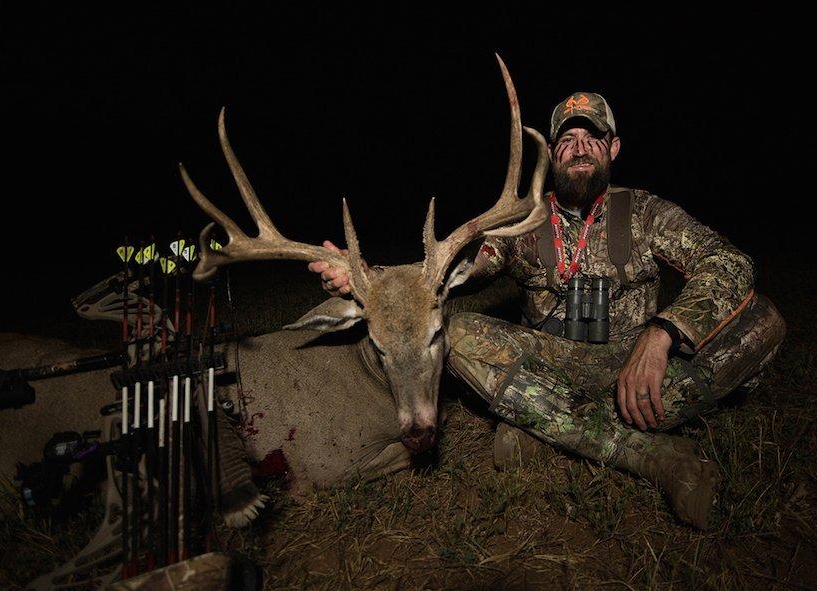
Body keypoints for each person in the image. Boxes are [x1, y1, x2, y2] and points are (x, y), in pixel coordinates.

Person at [309, 92, 785, 528]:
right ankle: (650, 454)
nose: (580, 149)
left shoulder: (646, 213)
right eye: (567, 140)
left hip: (634, 370)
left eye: (592, 138)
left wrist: (663, 334)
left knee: (764, 319)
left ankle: (543, 424)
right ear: (554, 154)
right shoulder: (523, 224)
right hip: (546, 364)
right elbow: (453, 268)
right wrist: (369, 277)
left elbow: (729, 263)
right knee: (458, 332)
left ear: (612, 149)